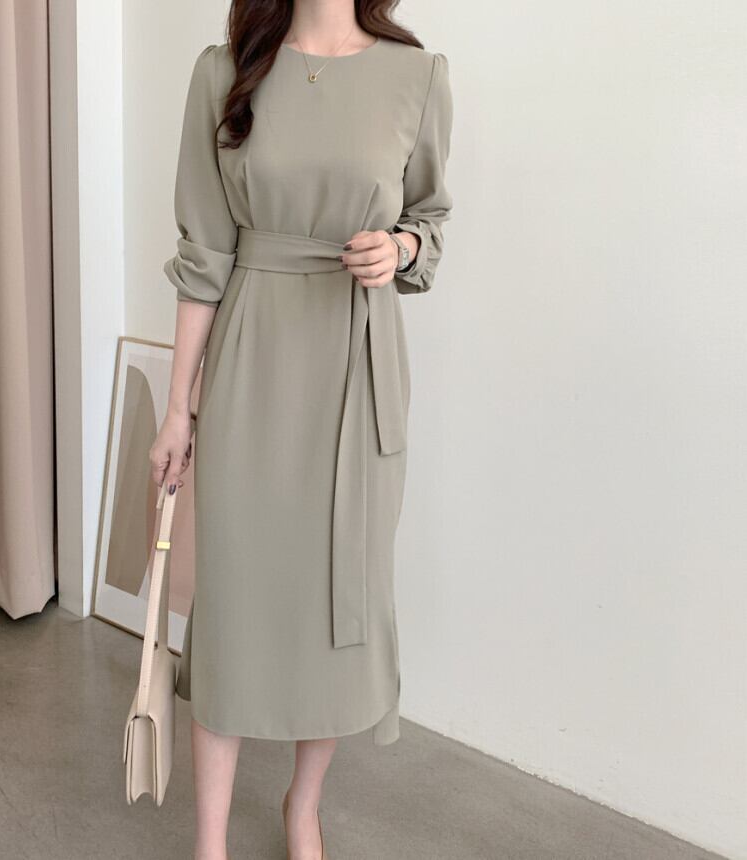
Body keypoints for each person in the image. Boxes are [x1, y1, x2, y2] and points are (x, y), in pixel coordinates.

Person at [149, 2, 453, 857]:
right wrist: (178, 407)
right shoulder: (225, 70)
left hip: (355, 369)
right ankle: (209, 842)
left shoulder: (417, 76)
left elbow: (430, 220)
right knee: (234, 609)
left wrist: (399, 249)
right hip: (253, 363)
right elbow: (204, 254)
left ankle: (303, 807)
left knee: (334, 606)